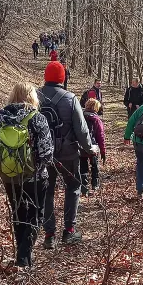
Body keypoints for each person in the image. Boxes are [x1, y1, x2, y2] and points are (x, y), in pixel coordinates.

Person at [0, 83, 53, 268]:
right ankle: (24, 256)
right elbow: (47, 153)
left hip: (9, 177)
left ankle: (23, 255)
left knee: (19, 212)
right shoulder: (37, 118)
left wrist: (7, 165)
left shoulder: (1, 117)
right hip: (35, 176)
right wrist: (37, 166)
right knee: (36, 213)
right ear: (33, 97)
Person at [38, 60, 97, 247]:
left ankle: (49, 235)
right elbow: (81, 129)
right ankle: (69, 231)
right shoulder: (70, 98)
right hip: (68, 154)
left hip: (43, 155)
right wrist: (90, 148)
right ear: (62, 78)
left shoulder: (35, 96)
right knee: (73, 187)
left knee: (46, 191)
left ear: (45, 77)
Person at [81, 99, 105, 195]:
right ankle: (95, 185)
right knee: (94, 165)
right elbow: (100, 136)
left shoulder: (80, 116)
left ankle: (84, 187)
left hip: (81, 145)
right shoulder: (96, 119)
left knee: (83, 167)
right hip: (93, 145)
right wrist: (103, 151)